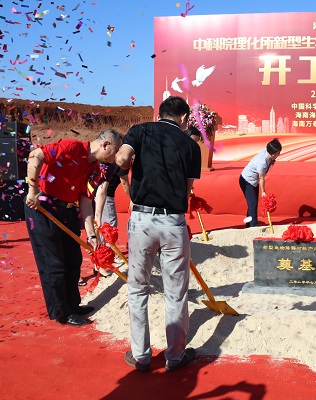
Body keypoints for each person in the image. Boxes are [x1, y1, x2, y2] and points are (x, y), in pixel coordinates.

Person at [116, 96, 200, 372]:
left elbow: (122, 158)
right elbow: (187, 190)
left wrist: (127, 174)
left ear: (160, 113)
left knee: (138, 288)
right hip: (173, 221)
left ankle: (141, 356)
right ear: (184, 118)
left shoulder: (140, 131)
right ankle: (174, 357)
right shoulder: (191, 145)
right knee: (176, 292)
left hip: (142, 220)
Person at [24, 129, 122, 326]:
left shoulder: (95, 169)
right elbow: (35, 156)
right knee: (54, 263)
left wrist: (91, 235)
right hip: (44, 207)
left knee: (73, 259)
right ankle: (62, 312)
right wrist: (32, 191)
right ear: (105, 145)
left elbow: (85, 201)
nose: (115, 157)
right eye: (115, 151)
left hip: (68, 211)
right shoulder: (72, 147)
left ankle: (73, 305)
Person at [94, 163, 130, 274]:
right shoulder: (120, 162)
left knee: (106, 227)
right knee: (109, 228)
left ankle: (104, 258)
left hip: (103, 195)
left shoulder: (113, 162)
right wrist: (132, 199)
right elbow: (124, 182)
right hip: (104, 197)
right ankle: (104, 260)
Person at [239, 138, 282, 227]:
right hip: (247, 181)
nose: (279, 154)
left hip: (253, 181)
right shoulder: (262, 162)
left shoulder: (268, 151)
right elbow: (261, 178)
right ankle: (254, 227)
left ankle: (248, 225)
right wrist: (263, 192)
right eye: (278, 153)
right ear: (272, 153)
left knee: (252, 204)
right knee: (253, 204)